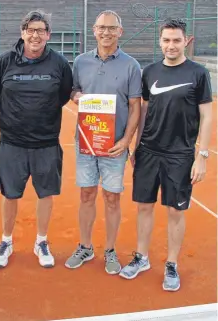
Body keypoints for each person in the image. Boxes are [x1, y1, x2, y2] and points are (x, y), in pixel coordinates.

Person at [119, 18, 213, 292]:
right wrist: (136, 146)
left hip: (180, 155)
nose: (171, 45)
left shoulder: (198, 73)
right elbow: (144, 112)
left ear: (187, 41)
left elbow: (207, 116)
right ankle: (142, 257)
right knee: (144, 206)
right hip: (149, 151)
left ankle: (171, 264)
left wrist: (202, 156)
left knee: (175, 210)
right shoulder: (148, 72)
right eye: (166, 40)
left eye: (176, 40)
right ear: (160, 42)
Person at [0, 10, 73, 268]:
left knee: (45, 194)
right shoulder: (4, 62)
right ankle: (6, 240)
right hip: (12, 143)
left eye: (41, 31)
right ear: (22, 32)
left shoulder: (59, 63)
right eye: (30, 30)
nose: (35, 35)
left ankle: (41, 241)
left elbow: (64, 94)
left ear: (48, 35)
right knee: (9, 194)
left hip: (46, 143)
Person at [64, 10, 142, 275]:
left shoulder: (131, 65)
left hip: (114, 146)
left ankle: (109, 250)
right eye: (101, 28)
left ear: (120, 32)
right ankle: (85, 246)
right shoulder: (81, 61)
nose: (106, 32)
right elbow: (73, 89)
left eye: (111, 28)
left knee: (111, 198)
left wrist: (126, 140)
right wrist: (76, 97)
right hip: (86, 141)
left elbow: (135, 107)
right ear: (94, 30)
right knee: (86, 194)